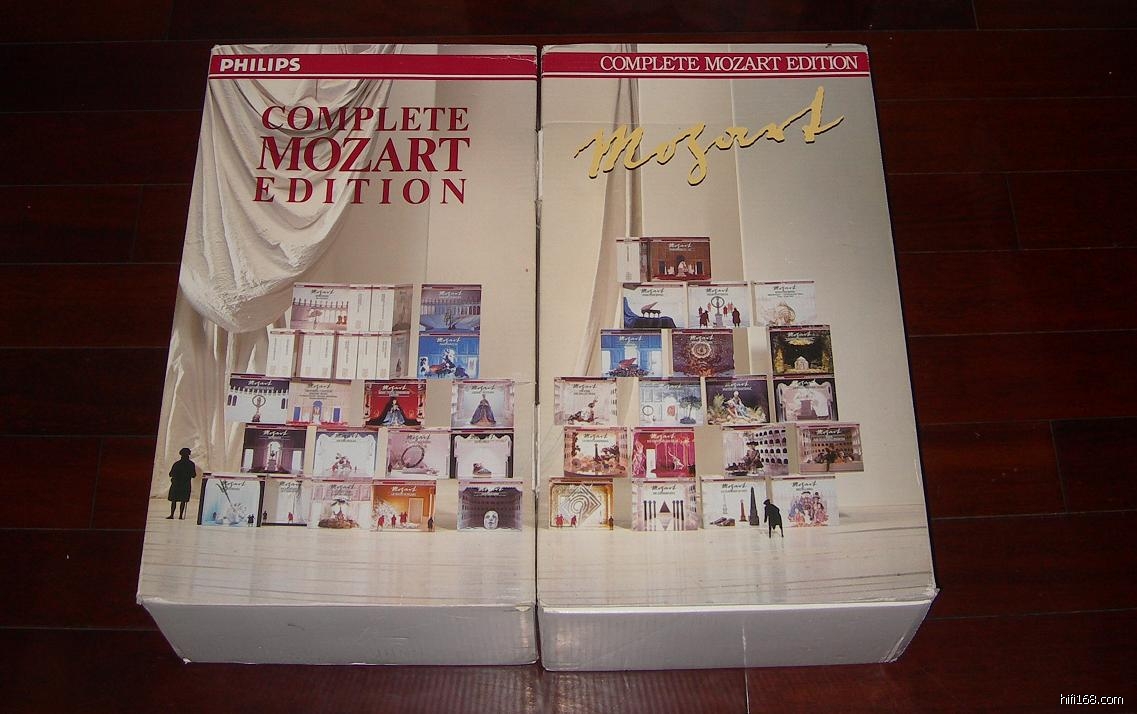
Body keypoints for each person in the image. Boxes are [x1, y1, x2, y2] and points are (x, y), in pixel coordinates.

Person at [167, 447, 196, 520]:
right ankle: (180, 515)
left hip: (176, 484)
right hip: (185, 484)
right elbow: (193, 475)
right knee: (183, 500)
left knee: (174, 500)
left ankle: (172, 514)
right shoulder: (191, 464)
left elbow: (170, 474)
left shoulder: (177, 464)